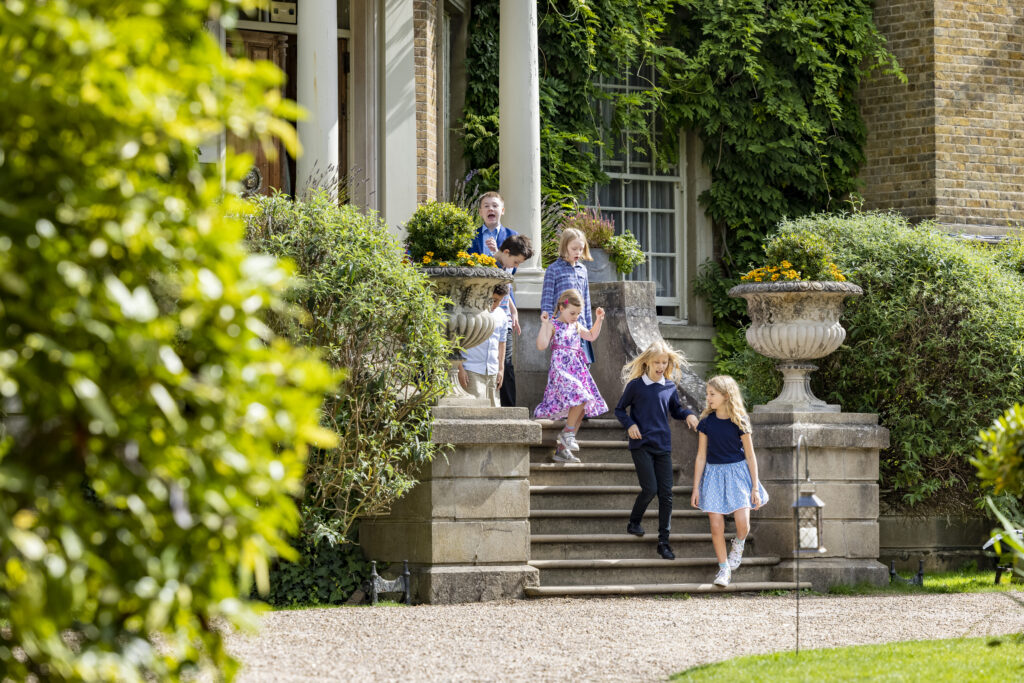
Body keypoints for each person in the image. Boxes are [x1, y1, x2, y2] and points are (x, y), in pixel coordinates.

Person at [614, 341, 700, 560]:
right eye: (657, 362)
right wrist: (630, 425)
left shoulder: (669, 386)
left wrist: (688, 414)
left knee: (667, 495)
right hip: (641, 444)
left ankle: (664, 542)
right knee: (650, 488)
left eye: (664, 362)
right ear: (647, 362)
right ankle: (634, 521)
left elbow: (676, 409)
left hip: (663, 446)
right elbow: (620, 410)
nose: (661, 366)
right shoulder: (635, 385)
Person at [690, 375, 770, 587]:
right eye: (707, 394)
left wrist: (755, 486)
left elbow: (751, 456)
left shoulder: (740, 421)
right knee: (716, 526)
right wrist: (696, 487)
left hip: (738, 475)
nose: (708, 398)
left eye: (712, 394)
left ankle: (739, 542)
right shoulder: (706, 423)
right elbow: (700, 456)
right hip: (714, 476)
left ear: (726, 396)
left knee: (743, 523)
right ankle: (724, 569)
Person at [534, 288, 607, 463]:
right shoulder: (553, 324)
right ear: (561, 308)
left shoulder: (575, 325)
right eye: (572, 313)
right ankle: (567, 434)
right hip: (561, 368)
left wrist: (599, 320)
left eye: (578, 313)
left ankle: (562, 449)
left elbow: (590, 336)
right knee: (581, 395)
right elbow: (542, 345)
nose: (575, 316)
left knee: (582, 407)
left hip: (576, 367)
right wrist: (544, 324)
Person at [540, 228, 594, 365]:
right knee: (564, 365)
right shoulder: (553, 269)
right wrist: (547, 324)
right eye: (574, 248)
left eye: (581, 249)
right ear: (565, 247)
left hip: (580, 326)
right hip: (561, 327)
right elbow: (547, 298)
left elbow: (586, 300)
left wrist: (589, 327)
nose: (578, 252)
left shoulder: (583, 270)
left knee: (583, 367)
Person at [493, 234, 534, 408]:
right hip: (492, 320)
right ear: (507, 252)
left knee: (507, 365)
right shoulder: (489, 265)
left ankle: (509, 408)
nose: (516, 266)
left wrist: (513, 310)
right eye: (516, 262)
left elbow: (506, 292)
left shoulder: (507, 267)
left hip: (506, 320)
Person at [458, 284, 509, 407]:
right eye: (494, 300)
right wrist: (460, 369)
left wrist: (501, 369)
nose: (496, 304)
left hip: (492, 371)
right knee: (474, 411)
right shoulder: (470, 313)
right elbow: (456, 342)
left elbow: (502, 342)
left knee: (494, 411)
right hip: (471, 370)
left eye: (500, 301)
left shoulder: (501, 314)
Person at [470, 191, 517, 257]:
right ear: (480, 212)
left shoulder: (512, 236)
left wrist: (496, 252)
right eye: (486, 206)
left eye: (495, 206)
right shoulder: (471, 235)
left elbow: (512, 267)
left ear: (502, 211)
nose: (490, 209)